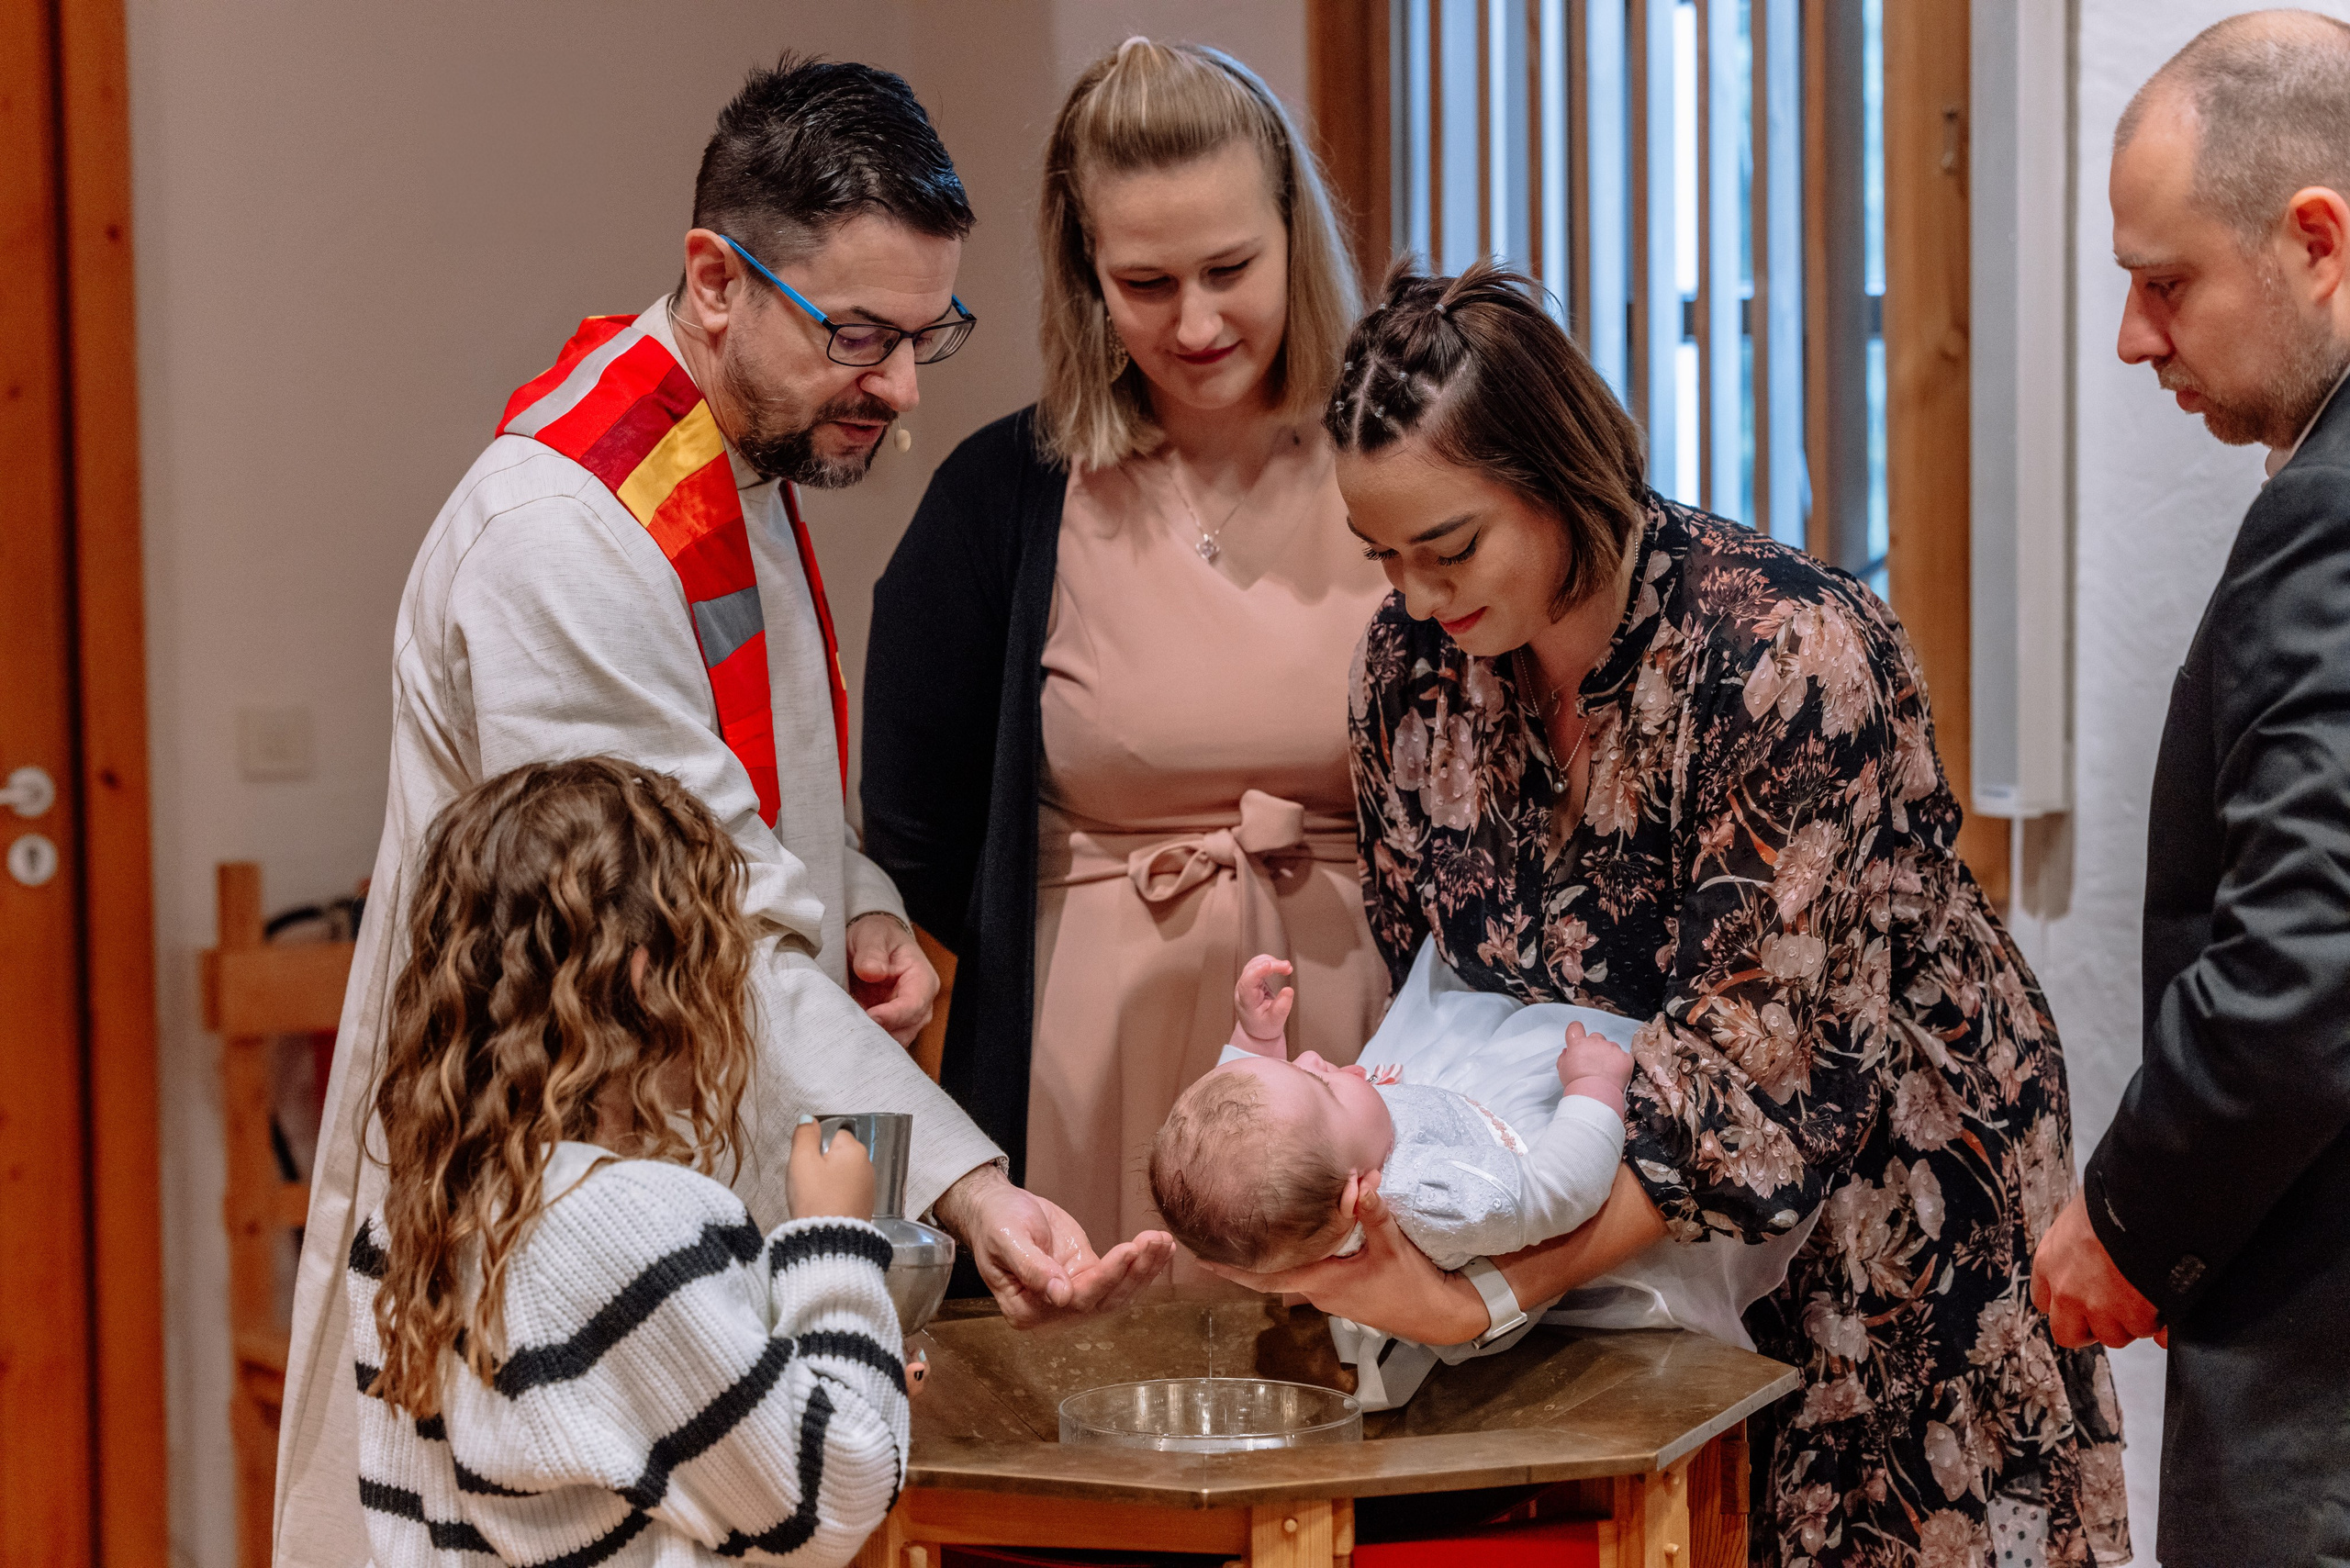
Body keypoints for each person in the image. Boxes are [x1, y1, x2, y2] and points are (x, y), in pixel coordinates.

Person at [278, 57, 1170, 1565]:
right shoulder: (565, 540)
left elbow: (764, 810)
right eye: (859, 334)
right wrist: (961, 1186)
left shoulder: (739, 451)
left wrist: (863, 907)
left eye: (925, 335)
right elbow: (706, 933)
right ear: (715, 280)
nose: (899, 387)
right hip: (567, 1218)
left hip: (686, 1169)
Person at [1208, 263, 2130, 1567]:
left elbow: (1759, 1080)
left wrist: (1489, 1291)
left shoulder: (1782, 655)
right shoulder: (1413, 667)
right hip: (1605, 1215)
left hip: (1873, 1197)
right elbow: (1440, 988)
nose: (1414, 595)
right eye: (1384, 557)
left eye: (1449, 548)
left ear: (1558, 473)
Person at [861, 39, 1391, 1259]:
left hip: (1362, 1052)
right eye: (1146, 283)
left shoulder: (1396, 459)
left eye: (1230, 270)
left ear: (1295, 241)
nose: (1196, 322)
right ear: (1085, 274)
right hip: (1089, 1070)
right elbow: (917, 831)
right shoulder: (1003, 496)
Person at [2031, 15, 2350, 1566]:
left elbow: (2307, 954)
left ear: (2317, 243)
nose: (2133, 338)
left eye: (2166, 283)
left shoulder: (2334, 516)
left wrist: (2129, 1216)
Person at [352, 757, 912, 1567]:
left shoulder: (401, 1227)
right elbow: (835, 1495)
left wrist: (822, 1377)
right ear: (647, 977)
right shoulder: (638, 1226)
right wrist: (835, 1238)